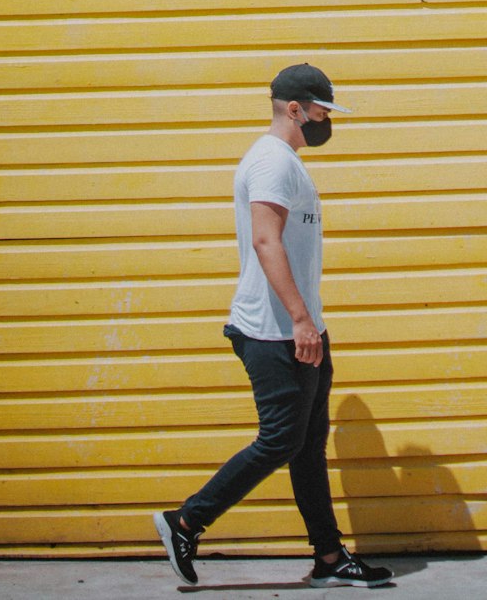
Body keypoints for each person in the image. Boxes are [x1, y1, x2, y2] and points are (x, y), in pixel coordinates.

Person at [153, 63, 394, 589]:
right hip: (274, 331)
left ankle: (330, 559)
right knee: (282, 440)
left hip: (301, 330)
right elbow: (267, 242)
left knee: (307, 447)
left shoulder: (285, 162)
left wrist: (312, 324)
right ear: (295, 108)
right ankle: (186, 521)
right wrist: (302, 321)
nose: (326, 120)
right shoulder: (270, 162)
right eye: (321, 111)